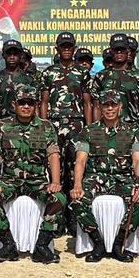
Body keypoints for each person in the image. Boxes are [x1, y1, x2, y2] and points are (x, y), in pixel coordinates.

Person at [0, 84, 66, 264]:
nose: (26, 106)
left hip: (37, 182)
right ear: (14, 104)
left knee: (59, 198)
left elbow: (53, 155)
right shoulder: (2, 126)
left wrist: (55, 182)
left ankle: (42, 246)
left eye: (30, 103)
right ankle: (8, 245)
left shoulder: (46, 127)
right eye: (22, 102)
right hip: (10, 181)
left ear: (36, 105)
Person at [69, 89, 139, 263]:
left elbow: (138, 160)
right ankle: (98, 242)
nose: (110, 108)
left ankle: (119, 242)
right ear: (100, 107)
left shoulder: (132, 131)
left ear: (120, 107)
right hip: (96, 177)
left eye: (113, 105)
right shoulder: (88, 131)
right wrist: (78, 185)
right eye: (106, 105)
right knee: (77, 200)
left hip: (123, 177)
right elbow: (80, 160)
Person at [38, 32, 92, 191]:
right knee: (55, 168)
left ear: (75, 48)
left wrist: (89, 128)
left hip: (77, 124)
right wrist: (43, 126)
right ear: (57, 49)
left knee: (76, 167)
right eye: (63, 46)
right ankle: (57, 208)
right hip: (54, 124)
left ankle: (74, 208)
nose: (67, 49)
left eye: (69, 46)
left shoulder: (83, 72)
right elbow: (44, 102)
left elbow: (88, 103)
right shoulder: (48, 73)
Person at [0, 40, 32, 124]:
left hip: (25, 125)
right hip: (2, 124)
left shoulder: (29, 79)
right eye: (9, 54)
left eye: (15, 54)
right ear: (3, 55)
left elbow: (34, 106)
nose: (12, 57)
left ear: (21, 55)